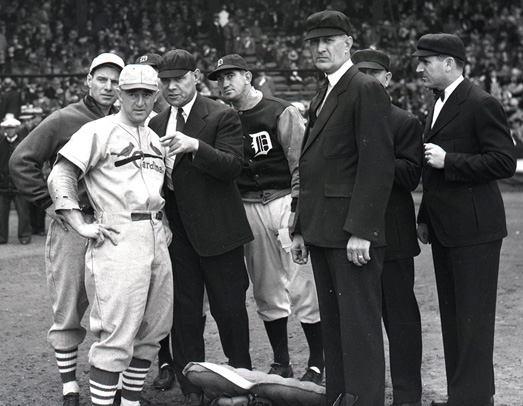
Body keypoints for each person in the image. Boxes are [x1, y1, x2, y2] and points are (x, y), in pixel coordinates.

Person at [47, 63, 173, 406]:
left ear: (156, 96)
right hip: (117, 232)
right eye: (132, 93)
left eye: (148, 94)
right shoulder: (97, 130)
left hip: (154, 232)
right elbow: (60, 176)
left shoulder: (154, 138)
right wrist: (79, 223)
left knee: (152, 331)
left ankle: (129, 402)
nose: (140, 101)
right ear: (120, 94)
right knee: (116, 333)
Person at [290, 11, 395, 406]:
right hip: (322, 229)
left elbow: (377, 165)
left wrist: (362, 230)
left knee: (359, 329)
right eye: (313, 42)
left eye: (329, 40)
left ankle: (364, 401)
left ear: (348, 42)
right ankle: (340, 397)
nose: (319, 48)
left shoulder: (364, 88)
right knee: (335, 327)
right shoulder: (325, 92)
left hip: (350, 234)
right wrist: (300, 226)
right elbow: (311, 166)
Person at [9, 52, 125, 406]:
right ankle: (69, 385)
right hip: (75, 223)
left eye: (115, 80)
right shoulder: (64, 119)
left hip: (114, 224)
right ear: (87, 81)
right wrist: (49, 203)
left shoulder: (126, 120)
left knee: (117, 304)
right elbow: (21, 160)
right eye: (101, 79)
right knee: (69, 305)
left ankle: (111, 381)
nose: (108, 86)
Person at [412, 33, 517, 406]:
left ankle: (471, 400)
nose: (419, 68)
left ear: (450, 63)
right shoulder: (438, 103)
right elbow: (431, 171)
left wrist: (450, 161)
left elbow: (504, 161)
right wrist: (424, 216)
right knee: (455, 317)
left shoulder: (480, 102)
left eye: (425, 61)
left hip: (475, 230)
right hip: (446, 228)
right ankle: (465, 395)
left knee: (472, 321)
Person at [208, 54, 324, 384]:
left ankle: (317, 361)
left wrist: (298, 206)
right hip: (247, 205)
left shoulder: (279, 110)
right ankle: (281, 361)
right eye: (219, 78)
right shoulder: (221, 117)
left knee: (303, 284)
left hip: (284, 199)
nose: (224, 83)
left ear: (248, 76)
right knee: (266, 287)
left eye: (231, 75)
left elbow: (300, 162)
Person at [149, 49, 253, 406]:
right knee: (183, 315)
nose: (172, 87)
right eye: (165, 81)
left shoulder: (221, 114)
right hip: (176, 233)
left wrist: (195, 146)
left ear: (195, 76)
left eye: (179, 79)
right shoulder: (156, 122)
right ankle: (193, 388)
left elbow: (232, 167)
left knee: (230, 312)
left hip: (219, 231)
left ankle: (241, 380)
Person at [352, 48, 423, 406]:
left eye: (373, 72)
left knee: (400, 319)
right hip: (352, 233)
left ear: (387, 78)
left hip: (392, 234)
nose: (367, 78)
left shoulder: (404, 120)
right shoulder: (343, 117)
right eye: (360, 71)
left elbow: (411, 175)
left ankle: (408, 395)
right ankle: (368, 394)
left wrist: (376, 158)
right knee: (360, 321)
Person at [0, 116, 31, 244]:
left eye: (12, 128)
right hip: (3, 184)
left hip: (19, 184)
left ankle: (24, 236)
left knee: (23, 212)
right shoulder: (1, 144)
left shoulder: (23, 144)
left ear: (16, 129)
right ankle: (2, 237)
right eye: (7, 128)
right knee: (2, 213)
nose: (9, 130)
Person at [135, 53, 170, 125]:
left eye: (152, 74)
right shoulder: (136, 118)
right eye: (142, 76)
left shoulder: (180, 111)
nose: (146, 81)